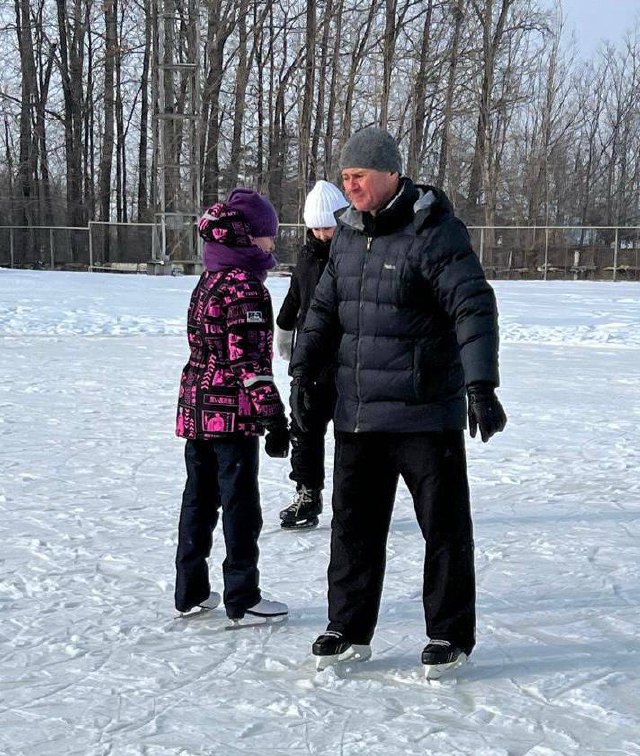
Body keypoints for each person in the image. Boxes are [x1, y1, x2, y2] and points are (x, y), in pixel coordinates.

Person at [289, 128, 507, 677]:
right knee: (353, 528)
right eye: (345, 178)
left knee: (444, 528)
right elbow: (323, 308)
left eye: (359, 176)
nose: (351, 186)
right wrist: (302, 373)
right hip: (358, 412)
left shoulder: (432, 230)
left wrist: (481, 386)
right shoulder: (345, 235)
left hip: (423, 411)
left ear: (391, 174)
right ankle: (348, 628)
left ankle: (449, 635)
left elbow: (473, 307)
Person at [174, 188, 290, 622]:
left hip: (196, 407)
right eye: (266, 236)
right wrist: (273, 416)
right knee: (240, 506)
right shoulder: (244, 287)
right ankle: (243, 595)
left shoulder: (209, 278)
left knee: (198, 502)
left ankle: (191, 591)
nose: (271, 244)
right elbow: (250, 361)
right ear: (247, 237)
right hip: (231, 417)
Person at [275, 180, 347, 529]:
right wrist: (284, 327)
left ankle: (353, 499)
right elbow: (294, 295)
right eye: (316, 227)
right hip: (310, 359)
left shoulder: (352, 254)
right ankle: (307, 493)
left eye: (328, 226)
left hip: (346, 357)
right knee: (304, 426)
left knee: (353, 435)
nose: (322, 233)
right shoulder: (306, 256)